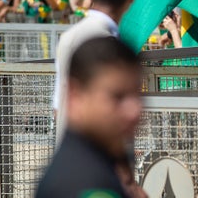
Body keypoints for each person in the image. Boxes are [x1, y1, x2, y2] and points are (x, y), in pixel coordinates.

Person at [36, 37, 143, 198]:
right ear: (75, 96)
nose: (135, 110)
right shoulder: (87, 184)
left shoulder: (90, 162)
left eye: (137, 94)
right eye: (117, 97)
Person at [53, 0, 135, 143]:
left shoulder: (69, 36)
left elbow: (59, 104)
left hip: (69, 149)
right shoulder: (109, 43)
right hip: (96, 153)